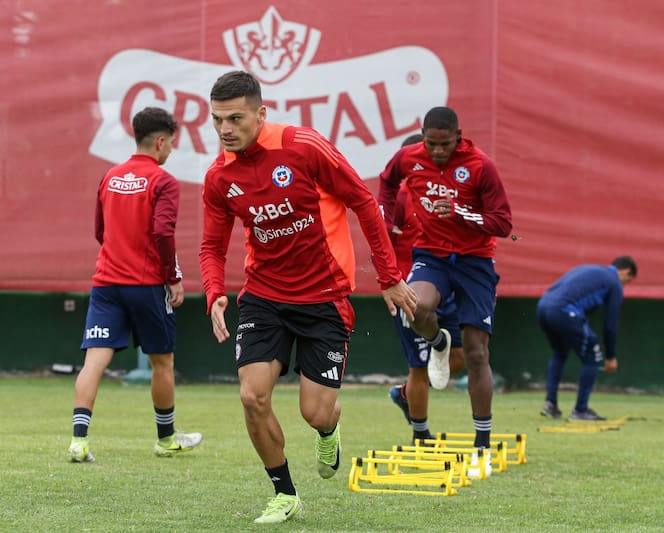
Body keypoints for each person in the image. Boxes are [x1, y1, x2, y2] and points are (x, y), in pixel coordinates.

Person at [199, 71, 418, 524]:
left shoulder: (303, 146)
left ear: (261, 114)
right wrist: (216, 293)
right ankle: (284, 493)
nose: (225, 129)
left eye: (235, 118)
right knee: (252, 396)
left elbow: (362, 200)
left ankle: (329, 428)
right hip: (263, 297)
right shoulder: (219, 176)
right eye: (217, 119)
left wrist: (389, 276)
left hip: (325, 298)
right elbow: (211, 245)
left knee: (314, 413)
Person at [378, 107, 513, 477]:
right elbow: (387, 183)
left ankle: (481, 445)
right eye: (431, 143)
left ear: (459, 136)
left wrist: (458, 212)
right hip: (432, 255)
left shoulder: (480, 166)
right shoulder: (409, 157)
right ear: (422, 135)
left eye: (445, 144)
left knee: (475, 352)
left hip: (474, 261)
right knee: (416, 306)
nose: (437, 151)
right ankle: (437, 340)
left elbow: (503, 223)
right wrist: (385, 221)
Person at [68, 107, 202, 463]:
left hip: (106, 283)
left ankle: (78, 441)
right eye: (171, 143)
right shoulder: (164, 181)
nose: (171, 150)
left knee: (94, 361)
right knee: (163, 361)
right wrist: (173, 277)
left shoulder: (110, 176)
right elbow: (162, 233)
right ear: (160, 141)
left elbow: (100, 232)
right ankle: (166, 439)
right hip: (145, 285)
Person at [385, 133, 466, 443]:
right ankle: (421, 434)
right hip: (412, 292)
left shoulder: (447, 194)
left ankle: (406, 394)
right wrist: (390, 284)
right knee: (419, 364)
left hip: (448, 287)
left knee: (458, 358)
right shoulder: (400, 198)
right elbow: (382, 245)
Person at [537, 256, 637, 421]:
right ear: (626, 272)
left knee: (560, 353)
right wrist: (611, 356)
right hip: (564, 311)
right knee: (592, 354)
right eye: (628, 281)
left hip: (543, 307)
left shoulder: (591, 269)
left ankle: (550, 404)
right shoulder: (614, 282)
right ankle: (580, 410)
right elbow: (610, 324)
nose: (625, 285)